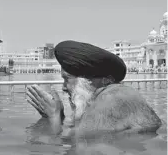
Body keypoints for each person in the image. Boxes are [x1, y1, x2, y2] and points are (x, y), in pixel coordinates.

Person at [26, 40, 162, 137]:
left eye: (67, 79)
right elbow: (75, 138)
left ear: (93, 80)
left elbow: (77, 150)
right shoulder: (104, 97)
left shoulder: (113, 98)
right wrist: (55, 116)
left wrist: (54, 116)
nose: (63, 88)